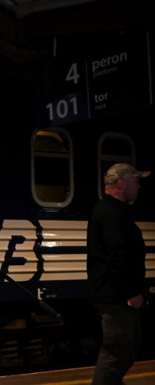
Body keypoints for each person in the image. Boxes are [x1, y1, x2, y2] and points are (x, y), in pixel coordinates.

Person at [87, 162, 149, 385]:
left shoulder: (111, 210)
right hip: (117, 297)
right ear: (121, 183)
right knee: (117, 351)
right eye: (136, 181)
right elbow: (119, 257)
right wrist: (132, 292)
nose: (139, 187)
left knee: (127, 348)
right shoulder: (112, 214)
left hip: (115, 294)